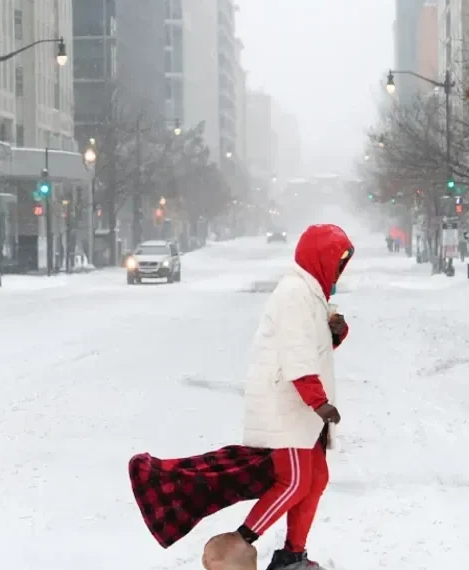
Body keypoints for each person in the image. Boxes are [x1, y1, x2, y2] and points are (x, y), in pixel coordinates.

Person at [128, 224, 353, 570]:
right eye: (337, 261)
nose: (339, 270)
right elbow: (296, 355)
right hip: (287, 406)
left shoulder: (311, 295)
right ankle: (236, 546)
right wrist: (318, 402)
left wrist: (335, 333)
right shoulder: (295, 293)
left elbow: (312, 345)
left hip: (301, 410)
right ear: (320, 258)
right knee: (293, 482)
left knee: (315, 478)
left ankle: (293, 555)